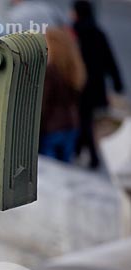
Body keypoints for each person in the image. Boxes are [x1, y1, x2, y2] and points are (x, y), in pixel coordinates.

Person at [72, 0, 124, 169]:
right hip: (96, 87)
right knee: (87, 120)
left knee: (83, 120)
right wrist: (118, 83)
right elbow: (110, 61)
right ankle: (83, 151)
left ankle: (87, 154)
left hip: (79, 86)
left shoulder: (74, 33)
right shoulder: (98, 33)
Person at [39, 28, 87, 163]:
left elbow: (44, 104)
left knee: (51, 173)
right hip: (71, 125)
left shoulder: (50, 72)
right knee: (64, 170)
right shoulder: (75, 69)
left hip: (52, 127)